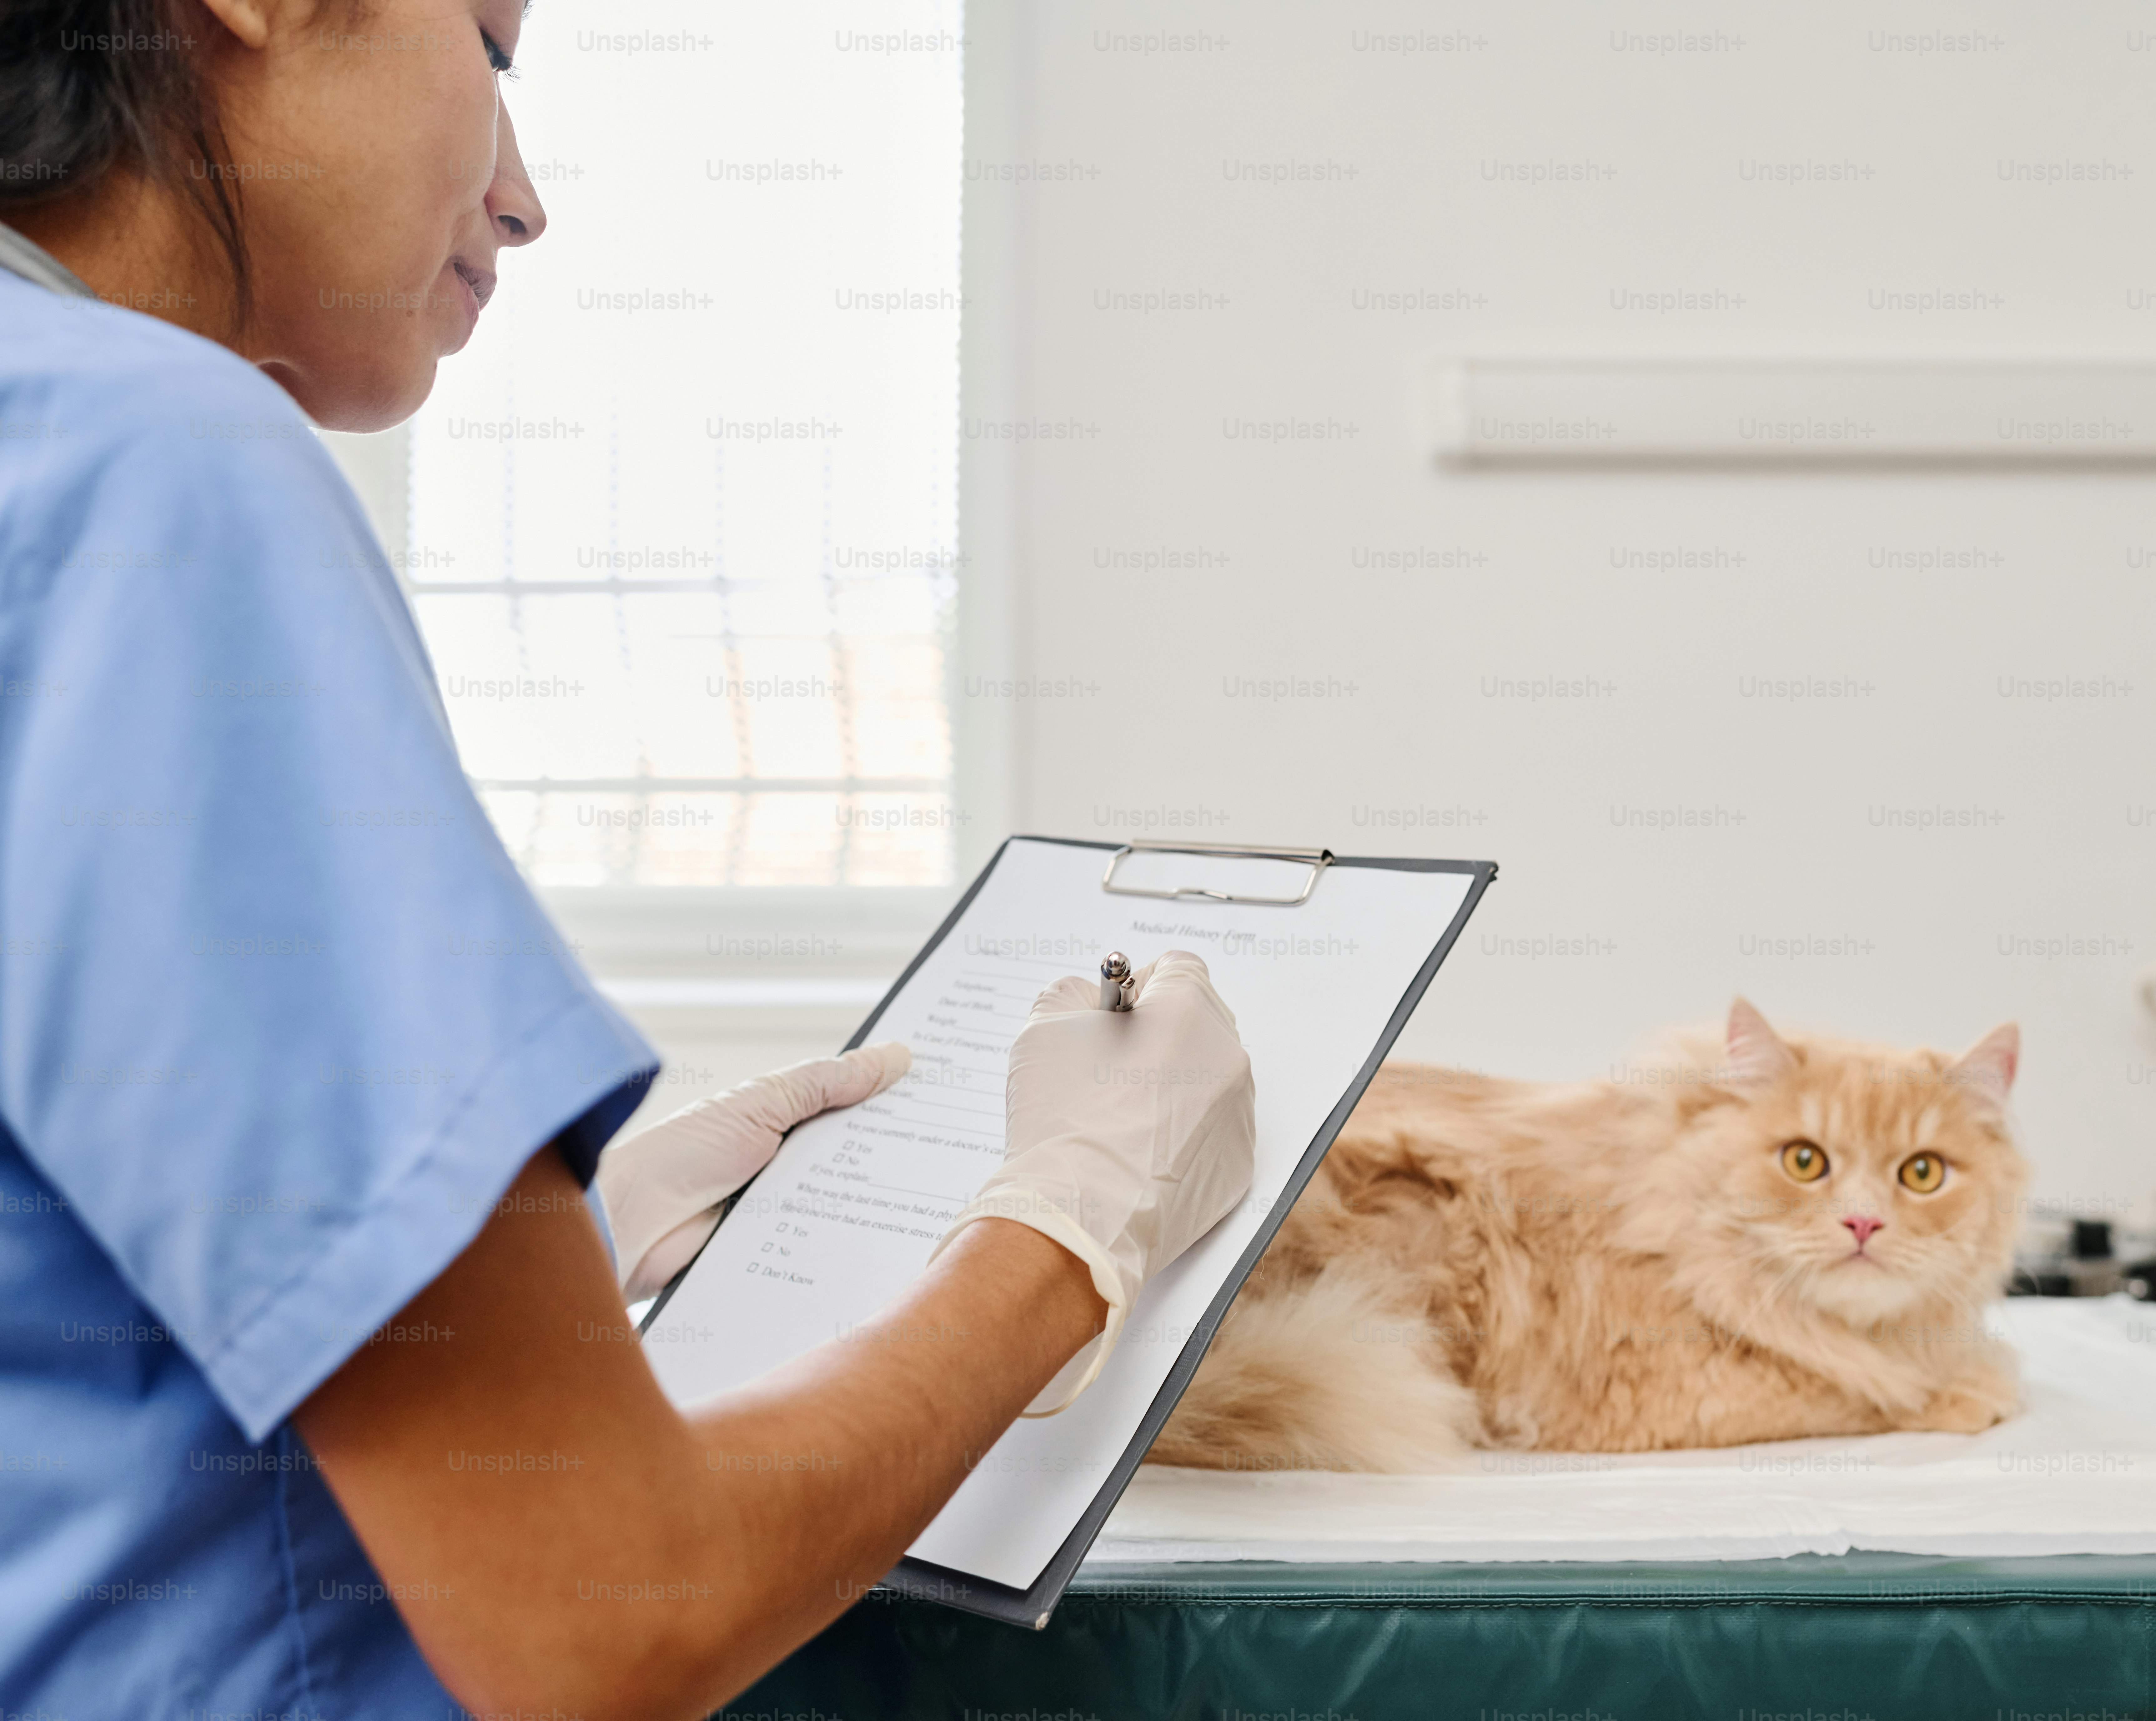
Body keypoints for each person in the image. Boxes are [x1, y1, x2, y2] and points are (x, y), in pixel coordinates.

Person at [0, 3, 1258, 1715]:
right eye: (496, 51)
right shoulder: (156, 473)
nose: (524, 202)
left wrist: (558, 1255)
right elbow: (605, 1610)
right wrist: (1072, 1229)